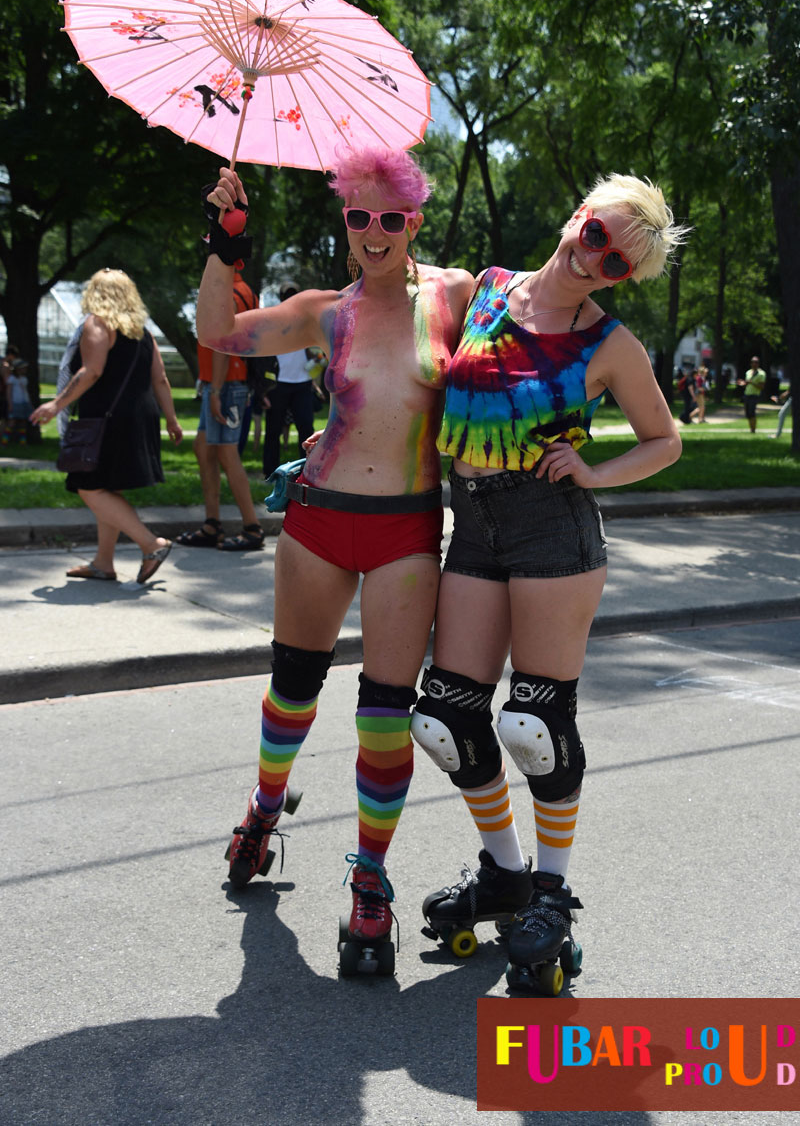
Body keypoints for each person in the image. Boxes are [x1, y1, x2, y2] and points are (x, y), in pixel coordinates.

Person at [411, 174, 687, 990]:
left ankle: (554, 893)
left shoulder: (610, 344)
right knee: (446, 720)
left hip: (551, 530)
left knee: (533, 724)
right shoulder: (488, 291)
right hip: (475, 525)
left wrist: (595, 473)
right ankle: (506, 874)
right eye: (596, 233)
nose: (594, 257)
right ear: (578, 215)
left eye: (615, 264)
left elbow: (664, 440)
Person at [197, 147, 472, 956]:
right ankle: (263, 808)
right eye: (360, 216)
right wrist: (226, 239)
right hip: (319, 521)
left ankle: (368, 882)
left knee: (385, 715)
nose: (375, 231)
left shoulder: (455, 295)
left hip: (406, 531)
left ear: (414, 221)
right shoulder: (327, 310)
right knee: (292, 691)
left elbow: (543, 309)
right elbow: (219, 331)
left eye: (392, 217)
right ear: (345, 223)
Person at [29, 269, 183, 583]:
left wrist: (56, 404)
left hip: (108, 420)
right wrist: (172, 419)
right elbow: (161, 379)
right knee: (110, 489)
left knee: (88, 486)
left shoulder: (96, 323)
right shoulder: (143, 333)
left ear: (95, 292)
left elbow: (92, 370)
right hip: (140, 417)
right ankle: (103, 563)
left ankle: (151, 544)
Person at [176, 270, 265, 551]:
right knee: (204, 448)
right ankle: (212, 524)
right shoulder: (244, 289)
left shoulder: (224, 291)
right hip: (224, 381)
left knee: (226, 453)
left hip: (225, 383)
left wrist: (214, 389)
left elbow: (223, 343)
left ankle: (252, 527)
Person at [261, 283, 317, 479]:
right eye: (287, 295)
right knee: (273, 430)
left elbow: (307, 348)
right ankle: (270, 472)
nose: (290, 298)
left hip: (302, 383)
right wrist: (264, 388)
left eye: (294, 294)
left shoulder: (306, 320)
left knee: (306, 429)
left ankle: (307, 472)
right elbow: (264, 355)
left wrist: (314, 365)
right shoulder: (273, 319)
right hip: (279, 383)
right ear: (281, 297)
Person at [738, 355, 766, 432]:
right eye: (753, 362)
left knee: (751, 412)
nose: (754, 364)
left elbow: (761, 386)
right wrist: (743, 383)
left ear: (758, 363)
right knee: (747, 413)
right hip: (747, 394)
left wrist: (752, 382)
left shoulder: (761, 373)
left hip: (754, 395)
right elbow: (747, 384)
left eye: (756, 362)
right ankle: (751, 428)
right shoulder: (748, 372)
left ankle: (753, 430)